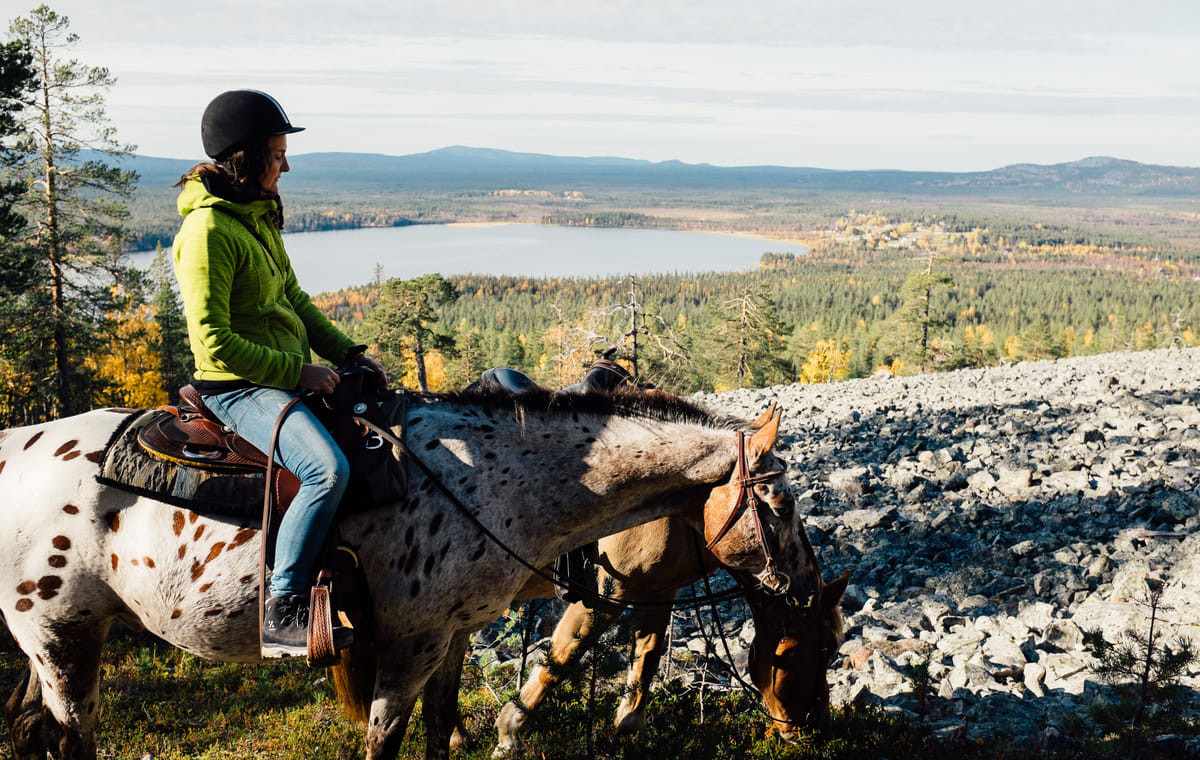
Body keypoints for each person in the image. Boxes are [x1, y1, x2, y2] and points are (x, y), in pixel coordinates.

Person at [172, 89, 387, 658]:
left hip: (280, 377)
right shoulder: (206, 234)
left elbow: (292, 296)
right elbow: (212, 341)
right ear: (243, 157)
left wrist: (348, 353)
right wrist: (300, 372)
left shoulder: (255, 217)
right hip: (237, 388)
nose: (285, 163)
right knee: (325, 471)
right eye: (276, 152)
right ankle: (284, 605)